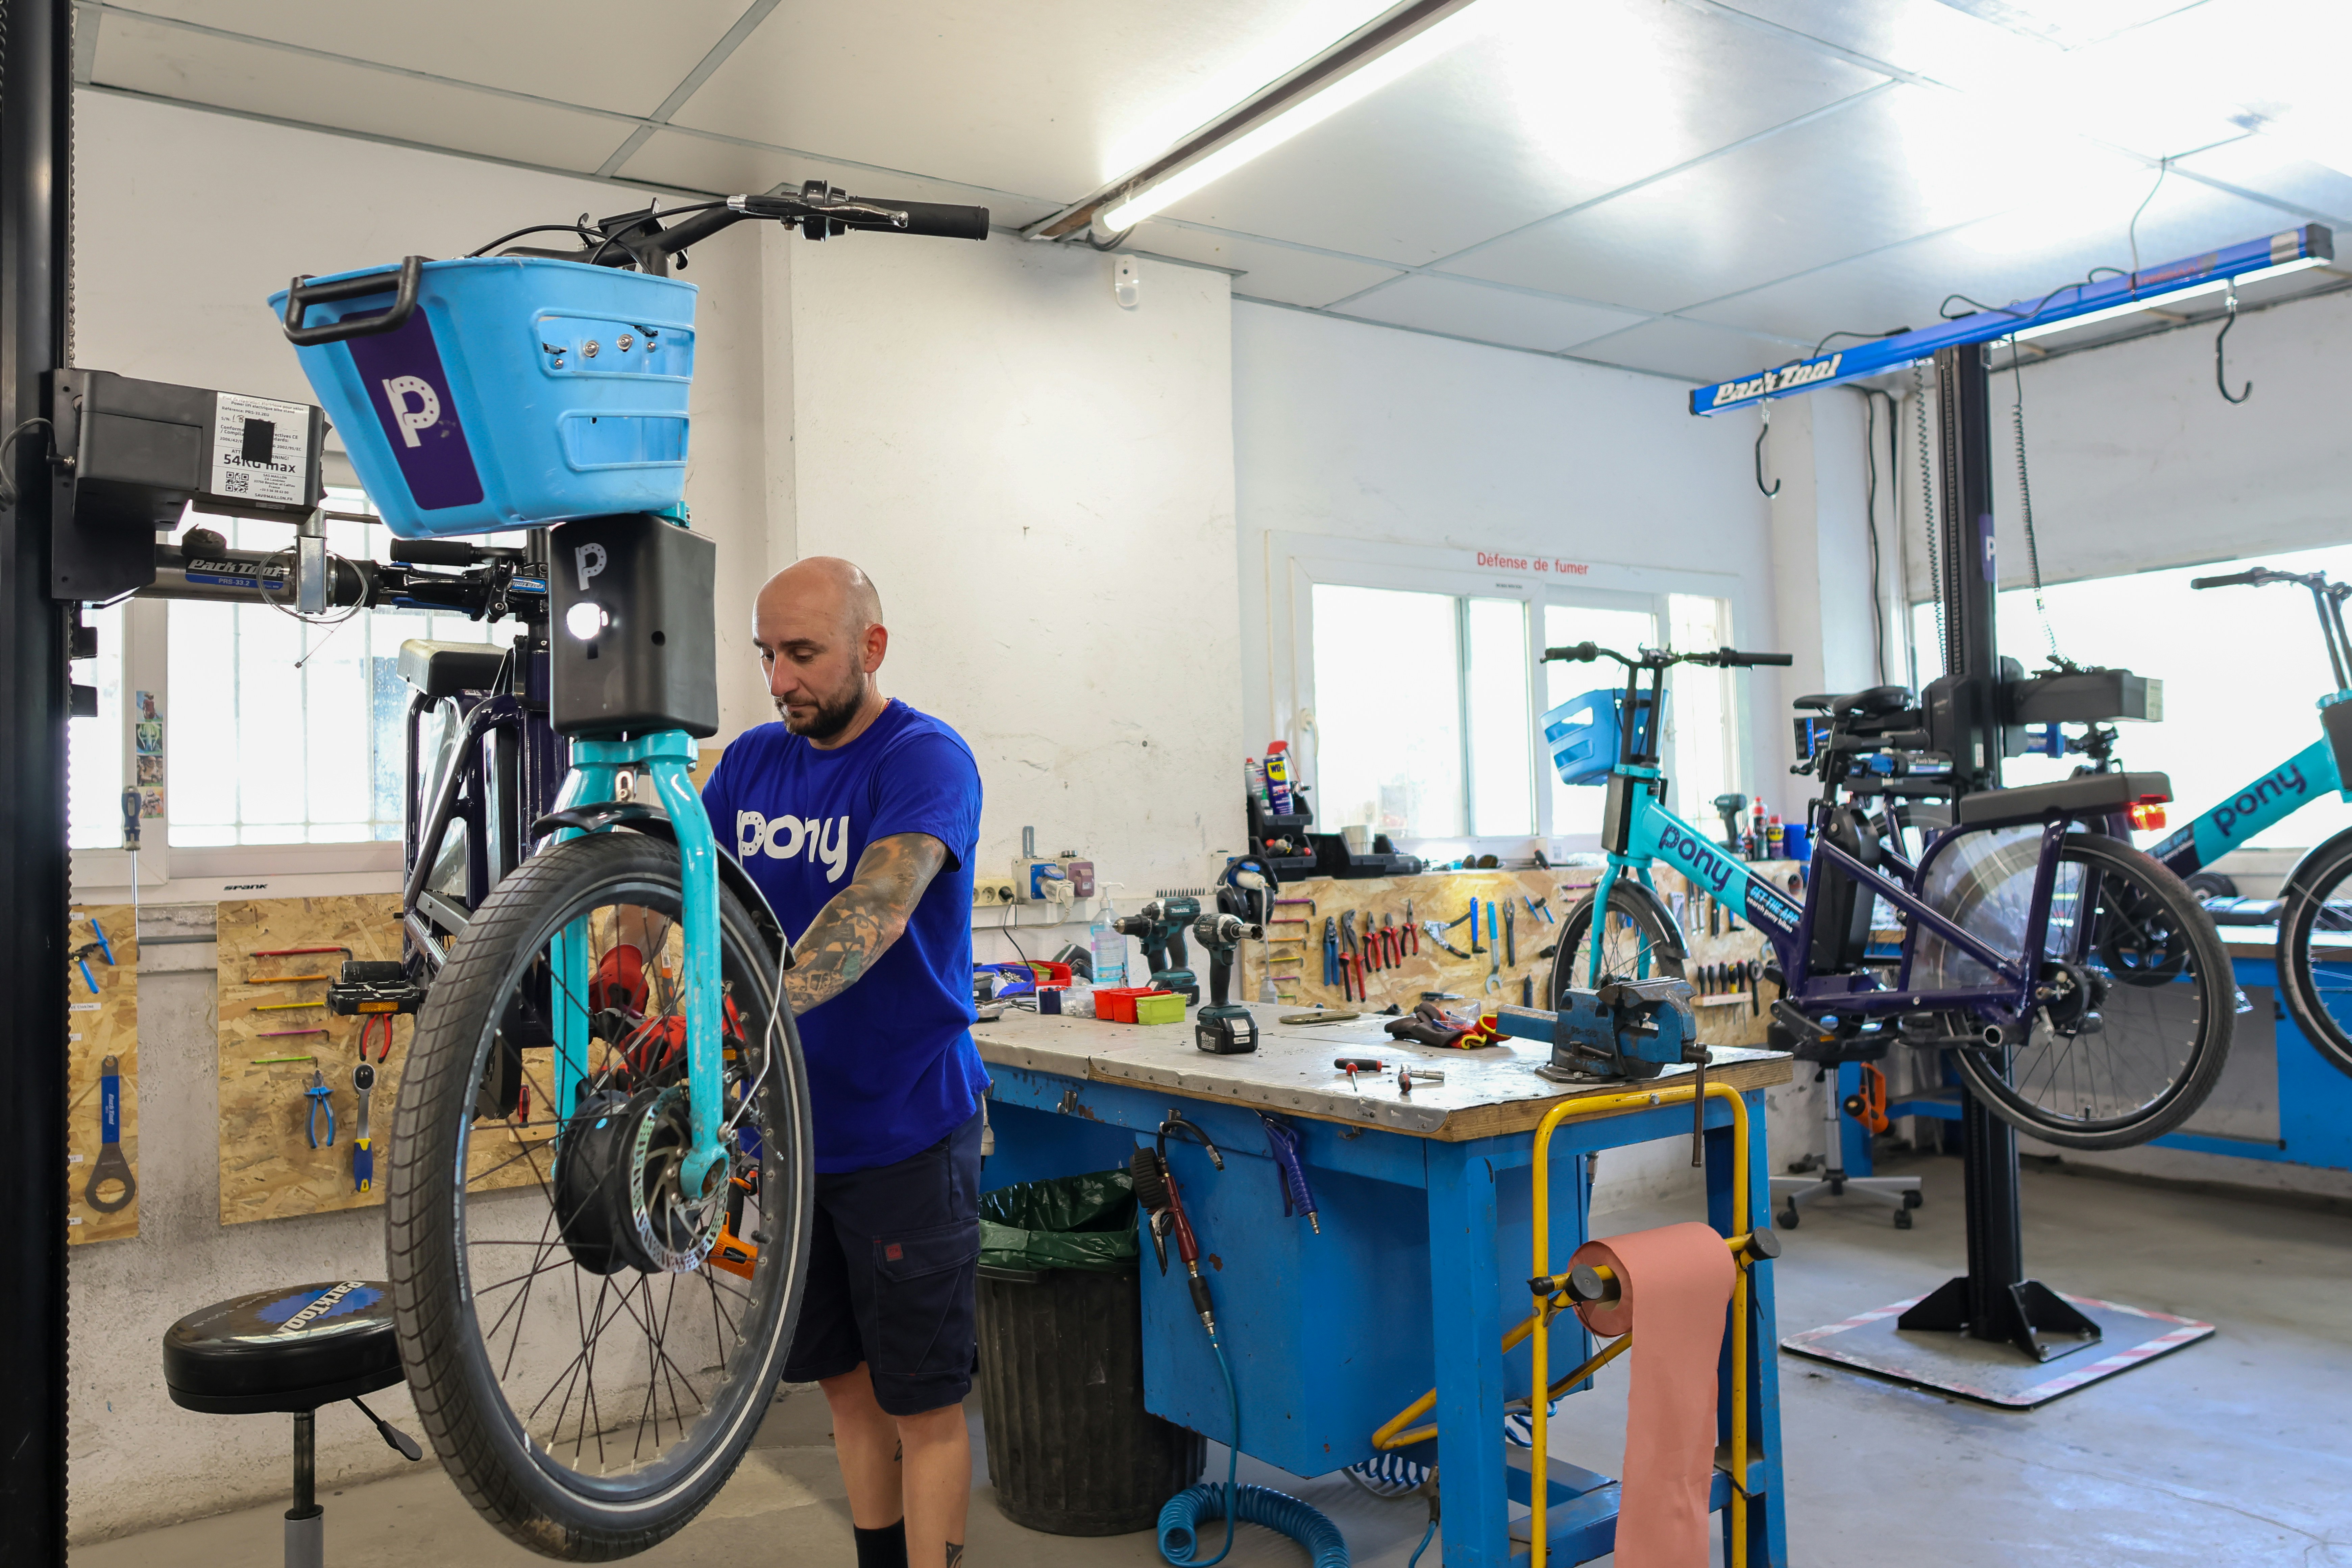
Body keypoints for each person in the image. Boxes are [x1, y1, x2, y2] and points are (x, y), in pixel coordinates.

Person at [699, 557, 985, 1568]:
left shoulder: (924, 760)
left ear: (872, 647)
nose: (780, 681)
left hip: (907, 1130)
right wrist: (631, 969)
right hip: (794, 1138)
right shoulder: (748, 765)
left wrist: (760, 1008)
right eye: (767, 655)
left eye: (803, 653)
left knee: (925, 1406)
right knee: (848, 1389)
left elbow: (875, 906)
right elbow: (686, 883)